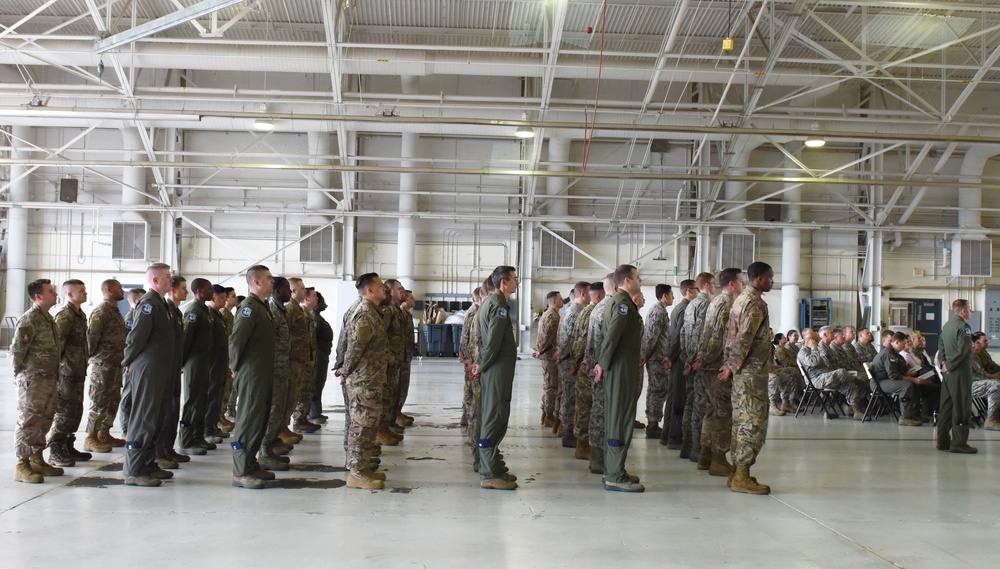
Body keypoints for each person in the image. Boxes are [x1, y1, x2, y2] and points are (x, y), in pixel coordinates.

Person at [122, 264, 178, 487]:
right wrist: (127, 361)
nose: (171, 280)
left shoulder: (161, 303)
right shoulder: (148, 304)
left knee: (156, 417)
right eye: (167, 277)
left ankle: (147, 463)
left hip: (160, 368)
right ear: (155, 281)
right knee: (144, 417)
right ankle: (134, 470)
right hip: (148, 368)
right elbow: (136, 337)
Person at [722, 261, 774, 495]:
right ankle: (741, 474)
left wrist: (730, 365)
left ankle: (737, 471)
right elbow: (744, 338)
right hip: (751, 373)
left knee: (740, 421)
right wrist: (732, 366)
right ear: (760, 279)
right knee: (752, 423)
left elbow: (731, 337)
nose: (772, 281)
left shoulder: (740, 300)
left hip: (744, 372)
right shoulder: (755, 304)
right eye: (770, 278)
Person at [594, 264, 644, 492]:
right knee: (620, 418)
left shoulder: (622, 302)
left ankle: (614, 468)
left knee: (619, 416)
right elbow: (612, 336)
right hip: (621, 368)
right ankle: (614, 474)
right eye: (637, 277)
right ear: (626, 280)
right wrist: (602, 364)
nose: (640, 281)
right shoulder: (623, 304)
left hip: (622, 366)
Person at [229, 265, 277, 488]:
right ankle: (240, 471)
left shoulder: (262, 307)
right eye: (268, 278)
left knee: (259, 419)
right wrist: (235, 367)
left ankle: (250, 463)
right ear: (256, 282)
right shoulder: (248, 308)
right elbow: (237, 340)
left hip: (262, 371)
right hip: (251, 373)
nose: (272, 281)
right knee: (248, 420)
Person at [340, 272, 390, 490]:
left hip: (371, 379)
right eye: (380, 286)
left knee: (368, 426)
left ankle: (363, 467)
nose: (384, 289)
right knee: (361, 427)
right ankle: (356, 473)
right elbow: (355, 348)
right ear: (370, 291)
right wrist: (345, 371)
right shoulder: (364, 314)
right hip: (363, 381)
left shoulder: (373, 312)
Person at [11, 279, 62, 483]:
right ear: (38, 297)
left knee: (45, 419)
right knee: (29, 421)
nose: (55, 294)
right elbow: (17, 351)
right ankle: (22, 464)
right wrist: (21, 377)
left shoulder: (48, 319)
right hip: (33, 381)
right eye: (50, 292)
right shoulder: (30, 320)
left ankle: (37, 459)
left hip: (49, 380)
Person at [474, 266, 520, 490]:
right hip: (495, 370)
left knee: (495, 414)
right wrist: (482, 365)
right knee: (494, 417)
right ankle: (489, 472)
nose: (517, 282)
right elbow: (492, 342)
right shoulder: (498, 305)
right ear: (504, 282)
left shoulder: (491, 303)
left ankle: (493, 465)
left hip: (495, 369)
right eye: (514, 279)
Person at [695, 268, 744, 475]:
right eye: (741, 281)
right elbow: (716, 337)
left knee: (711, 411)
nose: (743, 285)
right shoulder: (726, 304)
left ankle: (705, 455)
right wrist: (709, 361)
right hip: (716, 366)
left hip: (709, 364)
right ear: (732, 284)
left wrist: (701, 359)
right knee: (723, 413)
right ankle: (718, 459)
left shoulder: (716, 301)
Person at [48, 279, 92, 467]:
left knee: (75, 410)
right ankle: (55, 449)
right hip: (66, 373)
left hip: (77, 371)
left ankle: (67, 444)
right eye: (81, 291)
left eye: (84, 290)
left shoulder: (80, 315)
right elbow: (57, 346)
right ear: (69, 294)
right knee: (64, 412)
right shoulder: (65, 316)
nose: (85, 293)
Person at [84, 279, 126, 453]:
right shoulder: (101, 312)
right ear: (109, 290)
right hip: (103, 365)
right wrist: (95, 357)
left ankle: (104, 432)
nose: (122, 290)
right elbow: (91, 339)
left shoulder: (114, 311)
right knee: (99, 402)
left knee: (112, 400)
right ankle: (90, 437)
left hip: (115, 365)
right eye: (119, 288)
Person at [178, 278, 216, 455]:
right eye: (209, 289)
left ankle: (198, 436)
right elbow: (186, 339)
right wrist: (181, 362)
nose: (212, 292)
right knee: (191, 402)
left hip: (205, 361)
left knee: (202, 400)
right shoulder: (193, 311)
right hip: (194, 362)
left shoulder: (205, 310)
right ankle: (186, 440)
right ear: (200, 291)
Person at [680, 272, 715, 462]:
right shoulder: (707, 304)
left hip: (690, 361)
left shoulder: (691, 304)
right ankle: (697, 448)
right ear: (707, 286)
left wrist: (687, 358)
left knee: (691, 403)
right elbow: (704, 334)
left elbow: (684, 333)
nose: (715, 287)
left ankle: (687, 446)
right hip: (700, 363)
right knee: (701, 407)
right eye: (713, 284)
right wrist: (698, 359)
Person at [261, 277, 294, 471]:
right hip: (273, 369)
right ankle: (264, 452)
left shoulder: (279, 310)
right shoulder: (272, 310)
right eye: (287, 289)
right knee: (273, 410)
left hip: (282, 368)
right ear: (277, 290)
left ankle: (270, 444)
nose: (290, 292)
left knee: (278, 409)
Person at [937, 299, 977, 453]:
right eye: (969, 309)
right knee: (961, 406)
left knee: (946, 406)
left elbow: (941, 346)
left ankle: (942, 440)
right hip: (959, 372)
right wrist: (952, 365)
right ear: (963, 311)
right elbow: (964, 350)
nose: (970, 312)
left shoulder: (947, 326)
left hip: (947, 373)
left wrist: (943, 364)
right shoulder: (964, 327)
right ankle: (959, 442)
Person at [568, 281, 603, 454]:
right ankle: (582, 445)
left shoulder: (585, 312)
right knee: (586, 407)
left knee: (583, 406)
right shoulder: (592, 313)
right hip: (586, 367)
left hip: (583, 364)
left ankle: (582, 443)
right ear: (600, 297)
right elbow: (582, 341)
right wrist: (578, 364)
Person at [660, 279, 696, 448]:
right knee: (679, 399)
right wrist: (672, 357)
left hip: (676, 357)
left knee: (673, 397)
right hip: (679, 358)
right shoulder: (685, 309)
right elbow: (678, 337)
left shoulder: (678, 308)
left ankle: (666, 434)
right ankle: (674, 436)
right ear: (689, 290)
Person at [870, 332, 933, 426]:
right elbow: (893, 375)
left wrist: (906, 370)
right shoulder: (888, 354)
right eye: (902, 344)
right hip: (880, 382)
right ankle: (905, 417)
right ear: (896, 342)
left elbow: (898, 370)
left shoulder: (895, 353)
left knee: (914, 384)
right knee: (906, 385)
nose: (904, 347)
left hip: (887, 379)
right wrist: (913, 379)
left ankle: (914, 414)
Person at [586, 275, 616, 474]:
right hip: (603, 370)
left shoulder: (600, 308)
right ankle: (599, 458)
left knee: (600, 412)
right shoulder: (609, 308)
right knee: (601, 414)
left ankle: (599, 457)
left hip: (598, 367)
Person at [157, 276, 188, 469]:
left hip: (175, 367)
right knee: (164, 411)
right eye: (183, 288)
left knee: (173, 409)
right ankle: (159, 451)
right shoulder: (165, 309)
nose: (186, 292)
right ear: (173, 291)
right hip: (165, 368)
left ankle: (168, 448)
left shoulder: (176, 312)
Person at [555, 282, 590, 438]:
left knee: (569, 397)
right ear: (583, 294)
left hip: (568, 360)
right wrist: (574, 363)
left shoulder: (574, 311)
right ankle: (568, 433)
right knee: (570, 399)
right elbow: (569, 340)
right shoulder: (575, 313)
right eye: (589, 293)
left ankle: (565, 428)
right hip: (570, 361)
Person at [286, 278, 318, 435]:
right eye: (302, 288)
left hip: (304, 359)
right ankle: (291, 424)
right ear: (294, 290)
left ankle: (301, 419)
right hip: (294, 360)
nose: (304, 291)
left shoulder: (298, 309)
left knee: (304, 391)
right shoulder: (290, 309)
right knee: (292, 394)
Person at [641, 284, 673, 439]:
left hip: (658, 357)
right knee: (657, 391)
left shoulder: (660, 310)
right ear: (665, 296)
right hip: (657, 358)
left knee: (657, 390)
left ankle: (653, 424)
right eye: (671, 294)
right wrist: (646, 355)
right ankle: (653, 425)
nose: (673, 297)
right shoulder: (658, 311)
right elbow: (651, 336)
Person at [205, 285, 231, 440]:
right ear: (213, 298)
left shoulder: (217, 315)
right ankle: (207, 430)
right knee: (211, 397)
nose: (225, 300)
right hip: (212, 364)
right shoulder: (210, 315)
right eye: (222, 298)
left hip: (221, 363)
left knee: (218, 397)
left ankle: (213, 426)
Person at [118, 287, 145, 437]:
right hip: (130, 363)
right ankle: (125, 430)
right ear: (134, 301)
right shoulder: (131, 319)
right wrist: (127, 362)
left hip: (140, 362)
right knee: (128, 396)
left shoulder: (141, 316)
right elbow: (127, 343)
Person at [533, 291, 562, 428]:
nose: (563, 301)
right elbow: (547, 336)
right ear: (554, 301)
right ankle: (549, 415)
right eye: (561, 299)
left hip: (547, 354)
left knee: (548, 385)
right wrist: (541, 350)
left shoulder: (549, 314)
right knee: (551, 386)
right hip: (550, 356)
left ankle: (546, 413)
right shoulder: (552, 316)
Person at [458, 288, 483, 427]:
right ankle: (468, 417)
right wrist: (466, 357)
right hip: (472, 355)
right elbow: (465, 335)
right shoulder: (474, 312)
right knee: (471, 388)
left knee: (469, 387)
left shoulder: (473, 311)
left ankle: (466, 416)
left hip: (470, 354)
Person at [309, 291, 334, 424]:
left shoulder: (318, 317)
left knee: (319, 384)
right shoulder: (314, 318)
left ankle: (317, 412)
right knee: (315, 385)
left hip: (322, 356)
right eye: (322, 301)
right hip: (317, 357)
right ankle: (312, 414)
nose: (325, 304)